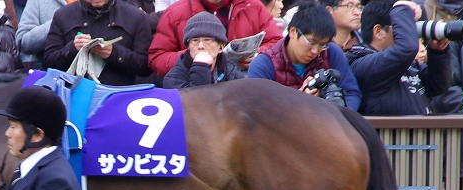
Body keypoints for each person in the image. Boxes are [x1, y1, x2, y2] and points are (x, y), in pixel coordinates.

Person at [247, 1, 361, 110]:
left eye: (322, 45)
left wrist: (341, 113)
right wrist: (299, 100)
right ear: (293, 32)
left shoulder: (331, 52)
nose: (315, 51)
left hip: (326, 125)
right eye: (311, 42)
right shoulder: (264, 64)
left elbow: (352, 92)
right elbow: (256, 110)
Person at [347, 0, 451, 115]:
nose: (408, 32)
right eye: (401, 27)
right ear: (378, 31)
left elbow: (437, 85)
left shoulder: (406, 62)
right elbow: (406, 48)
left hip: (418, 132)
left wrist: (438, 53)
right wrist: (401, 7)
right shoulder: (362, 64)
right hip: (387, 133)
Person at [148, 0, 283, 78]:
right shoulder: (176, 12)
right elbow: (157, 58)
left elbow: (277, 42)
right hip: (191, 88)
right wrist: (192, 56)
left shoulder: (253, 6)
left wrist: (260, 56)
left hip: (243, 85)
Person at [42, 0, 152, 86]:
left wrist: (114, 53)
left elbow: (146, 66)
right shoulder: (62, 15)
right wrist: (72, 48)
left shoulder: (135, 16)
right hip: (75, 92)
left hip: (119, 94)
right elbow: (48, 62)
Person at [163, 12, 243, 87]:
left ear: (221, 46)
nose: (201, 46)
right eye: (195, 40)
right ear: (188, 47)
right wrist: (200, 67)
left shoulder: (232, 73)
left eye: (207, 40)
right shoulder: (174, 78)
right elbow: (197, 101)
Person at [15, 0, 66, 68]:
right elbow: (23, 43)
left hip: (82, 73)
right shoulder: (38, 1)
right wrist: (56, 22)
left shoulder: (84, 3)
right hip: (49, 72)